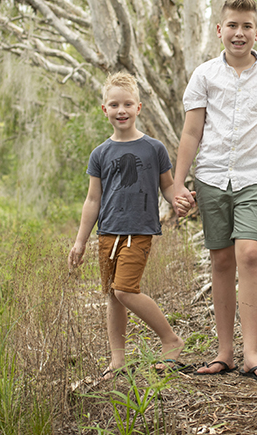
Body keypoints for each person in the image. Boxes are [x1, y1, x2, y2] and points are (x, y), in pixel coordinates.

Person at [172, 0, 257, 382]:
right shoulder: (205, 75)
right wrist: (178, 181)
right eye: (232, 26)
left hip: (254, 178)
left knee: (251, 254)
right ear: (219, 30)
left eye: (246, 27)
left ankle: (252, 352)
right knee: (222, 260)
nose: (239, 33)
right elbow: (192, 131)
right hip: (210, 178)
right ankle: (224, 352)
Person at [68, 71, 185, 379]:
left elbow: (168, 186)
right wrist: (80, 241)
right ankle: (117, 359)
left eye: (128, 104)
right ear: (104, 109)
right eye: (114, 104)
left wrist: (179, 200)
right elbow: (93, 200)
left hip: (139, 231)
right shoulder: (100, 154)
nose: (121, 110)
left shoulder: (153, 148)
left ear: (139, 108)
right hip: (107, 232)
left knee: (124, 290)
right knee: (111, 294)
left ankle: (171, 339)